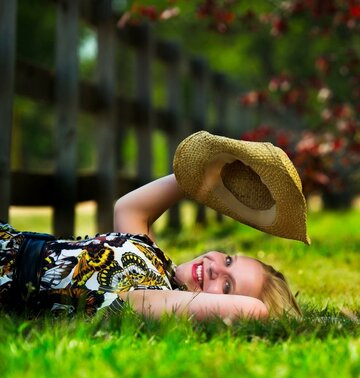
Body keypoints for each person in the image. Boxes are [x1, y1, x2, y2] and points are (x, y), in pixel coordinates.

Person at [0, 131, 309, 321]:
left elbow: (255, 311)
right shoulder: (154, 259)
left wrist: (257, 309)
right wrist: (206, 174)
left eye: (227, 285)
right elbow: (130, 208)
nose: (216, 269)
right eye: (228, 259)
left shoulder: (155, 301)